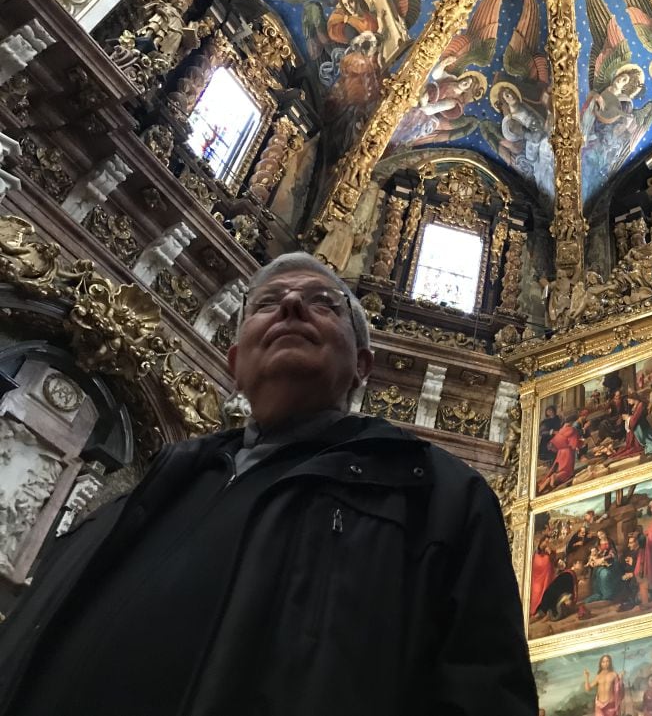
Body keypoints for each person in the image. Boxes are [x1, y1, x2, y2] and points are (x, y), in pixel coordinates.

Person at [0, 252, 537, 716]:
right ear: (234, 364)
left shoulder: (437, 497)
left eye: (323, 302)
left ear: (363, 366)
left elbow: (484, 692)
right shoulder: (149, 487)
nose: (292, 306)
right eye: (266, 301)